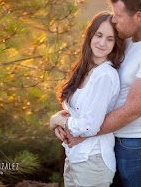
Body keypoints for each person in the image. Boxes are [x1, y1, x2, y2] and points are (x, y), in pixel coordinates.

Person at [51, 0, 141, 187]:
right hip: (112, 140)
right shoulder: (126, 39)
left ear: (138, 17)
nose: (114, 21)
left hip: (140, 146)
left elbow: (131, 111)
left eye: (118, 16)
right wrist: (61, 118)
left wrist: (81, 133)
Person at [50, 11, 126, 187]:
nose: (102, 43)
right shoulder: (84, 70)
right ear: (90, 35)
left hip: (93, 162)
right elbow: (75, 114)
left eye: (110, 39)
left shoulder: (105, 75)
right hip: (75, 157)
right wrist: (57, 122)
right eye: (99, 35)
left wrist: (58, 121)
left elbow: (89, 126)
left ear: (115, 44)